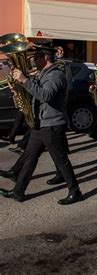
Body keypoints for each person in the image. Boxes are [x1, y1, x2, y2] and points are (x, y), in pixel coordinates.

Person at [0, 42, 83, 204]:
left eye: (36, 57)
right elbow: (34, 92)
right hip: (41, 123)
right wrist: (19, 85)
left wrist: (25, 80)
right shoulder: (43, 73)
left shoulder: (55, 75)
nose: (32, 60)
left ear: (45, 58)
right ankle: (18, 191)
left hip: (52, 124)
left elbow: (46, 96)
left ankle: (75, 191)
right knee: (29, 157)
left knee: (61, 161)